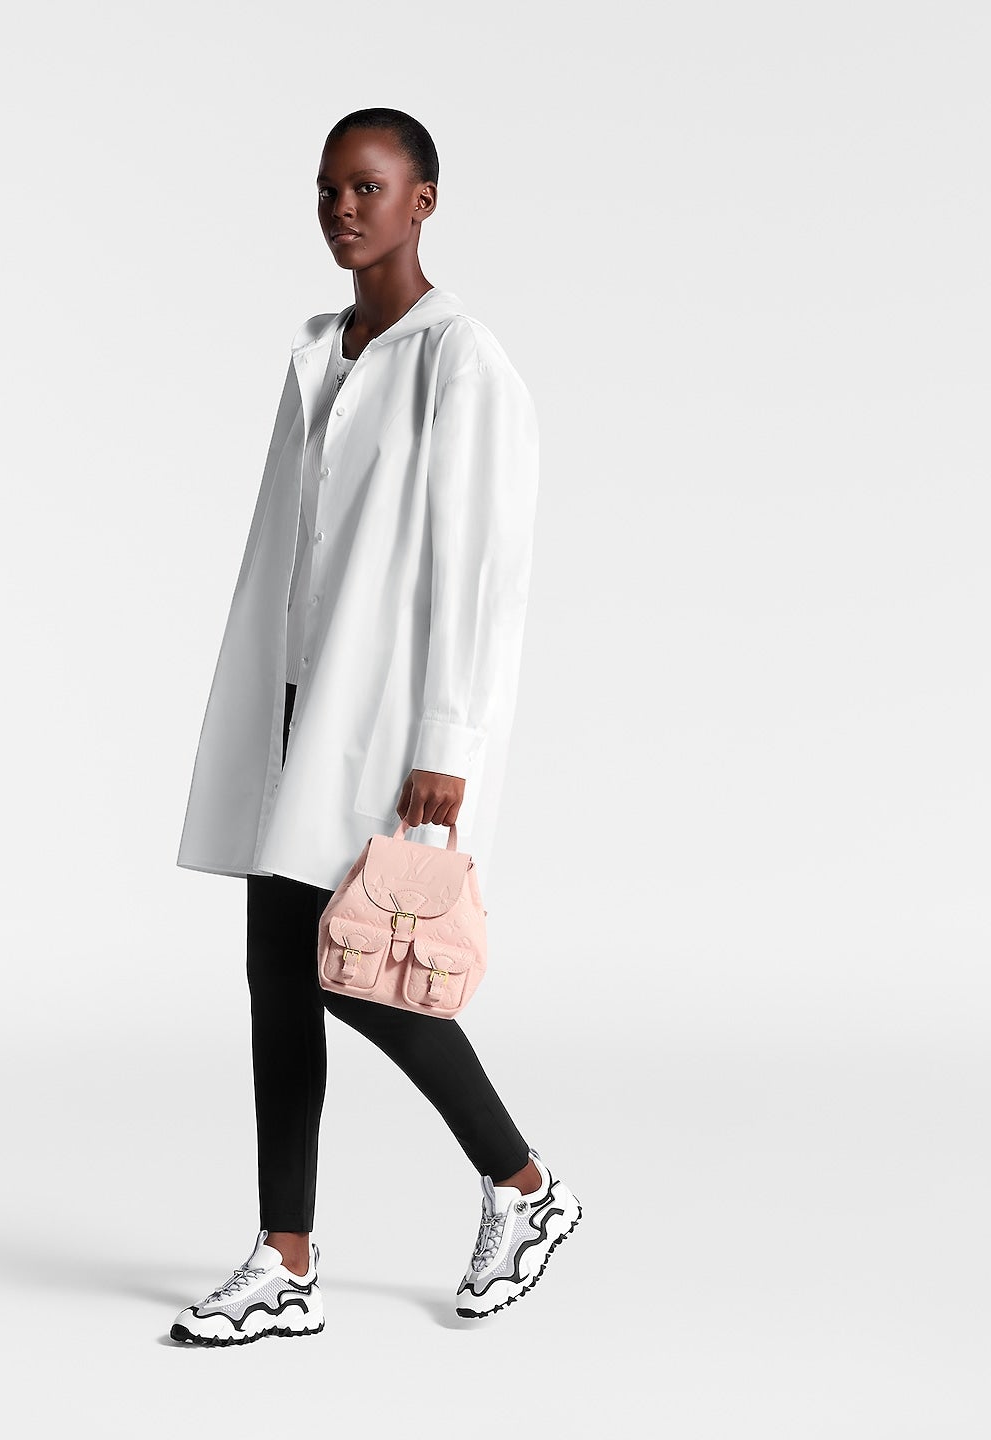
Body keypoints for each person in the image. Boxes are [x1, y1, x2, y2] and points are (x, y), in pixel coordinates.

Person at [170, 108, 581, 1346]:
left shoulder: (461, 361)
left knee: (363, 968)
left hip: (390, 722)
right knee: (277, 978)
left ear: (423, 201)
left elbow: (482, 570)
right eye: (328, 189)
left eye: (368, 186)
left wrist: (448, 739)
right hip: (296, 704)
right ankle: (283, 1261)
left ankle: (525, 1186)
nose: (343, 209)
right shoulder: (321, 351)